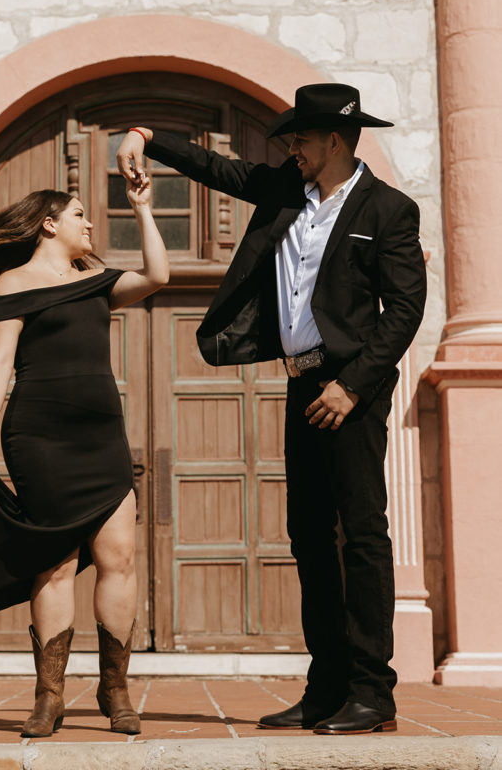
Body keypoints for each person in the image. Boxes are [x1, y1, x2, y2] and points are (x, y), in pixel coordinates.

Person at [117, 85, 426, 736]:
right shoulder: (285, 190)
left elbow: (402, 309)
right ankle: (326, 687)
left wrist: (354, 386)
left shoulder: (388, 210)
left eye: (299, 141)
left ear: (334, 142)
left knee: (361, 537)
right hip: (299, 384)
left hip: (349, 388)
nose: (290, 149)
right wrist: (144, 134)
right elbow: (219, 170)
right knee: (307, 536)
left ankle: (373, 693)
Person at [0, 176, 169, 737]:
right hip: (39, 434)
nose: (89, 224)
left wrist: (142, 209)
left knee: (118, 557)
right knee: (56, 563)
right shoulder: (11, 284)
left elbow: (159, 276)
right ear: (49, 223)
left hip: (100, 432)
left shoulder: (95, 281)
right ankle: (49, 695)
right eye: (79, 215)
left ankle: (114, 688)